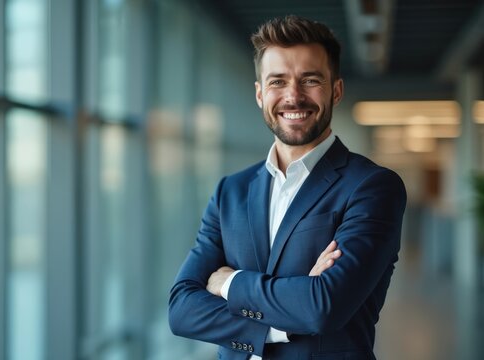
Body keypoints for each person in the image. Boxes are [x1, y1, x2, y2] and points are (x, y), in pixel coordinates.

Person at [168, 15, 406, 360]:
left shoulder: (372, 187)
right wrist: (282, 318)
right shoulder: (230, 192)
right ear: (260, 93)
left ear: (335, 90)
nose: (293, 97)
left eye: (310, 80)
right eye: (278, 82)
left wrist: (228, 283)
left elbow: (322, 307)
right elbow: (182, 310)